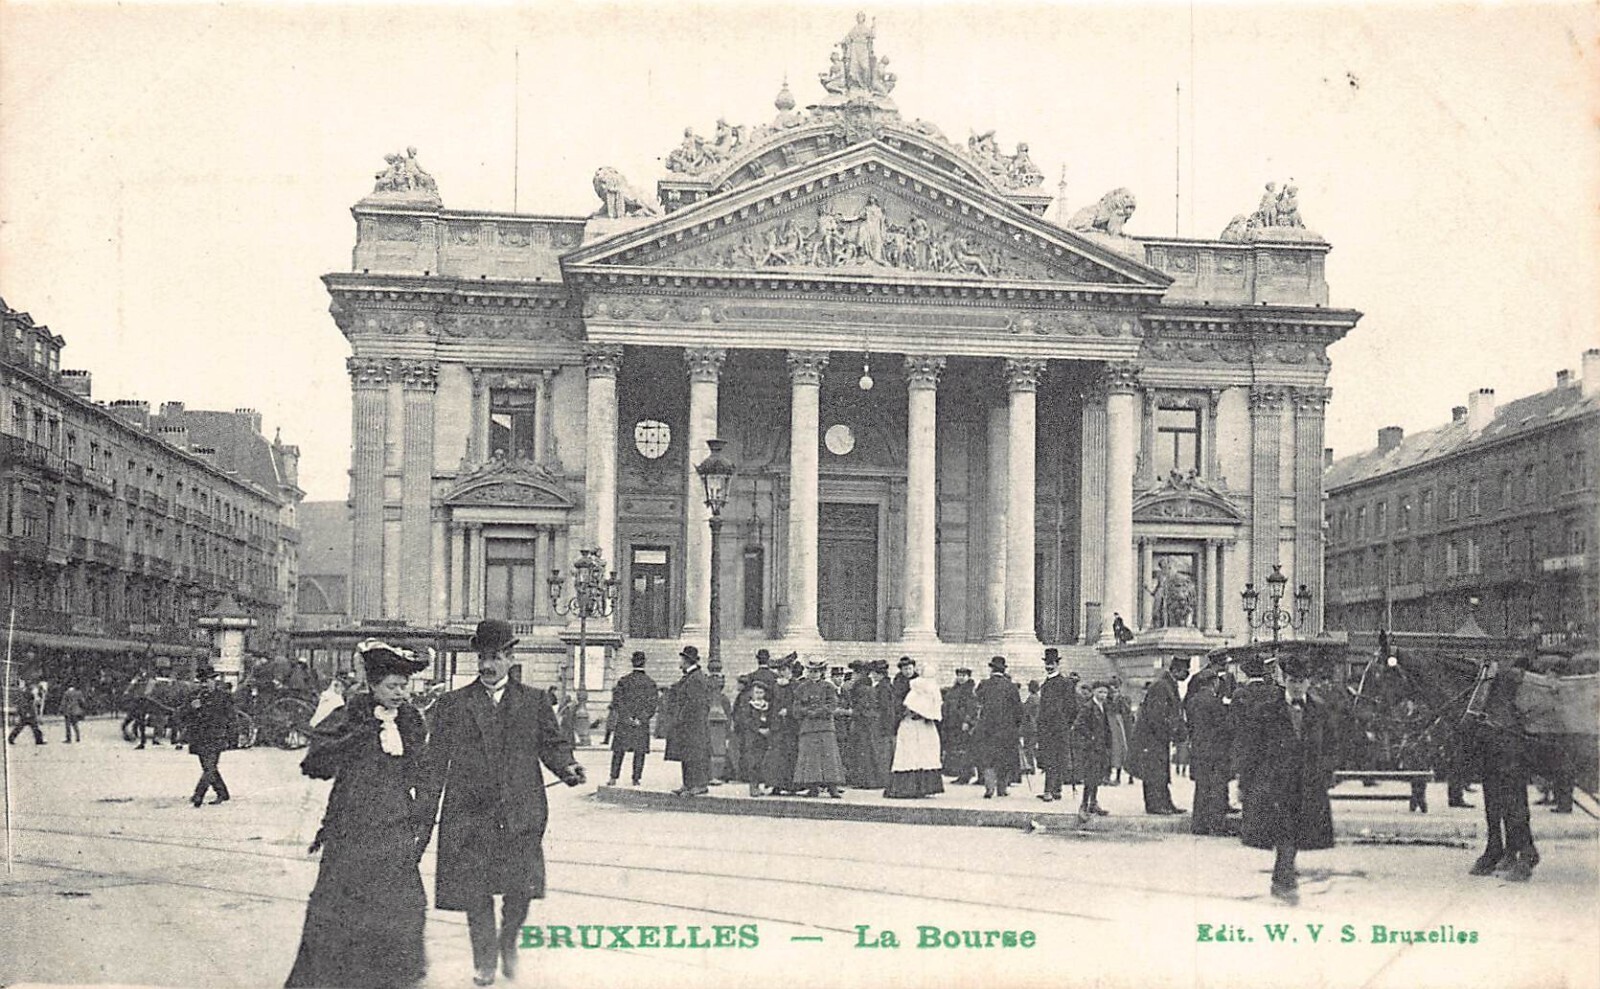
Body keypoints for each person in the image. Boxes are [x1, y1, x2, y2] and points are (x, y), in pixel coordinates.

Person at [415, 619, 585, 987]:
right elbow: (434, 761)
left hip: (520, 811)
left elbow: (552, 745)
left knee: (519, 890)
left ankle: (508, 941)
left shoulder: (535, 701)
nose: (487, 665)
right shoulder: (453, 704)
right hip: (470, 814)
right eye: (482, 658)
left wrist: (568, 766)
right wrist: (423, 808)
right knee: (476, 892)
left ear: (510, 658)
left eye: (494, 658)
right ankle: (485, 959)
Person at [285, 641, 431, 989]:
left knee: (403, 903)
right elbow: (315, 764)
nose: (400, 693)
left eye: (404, 686)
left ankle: (390, 977)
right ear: (373, 685)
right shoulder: (351, 714)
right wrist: (356, 738)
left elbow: (421, 770)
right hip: (351, 826)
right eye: (392, 686)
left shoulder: (411, 719)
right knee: (341, 903)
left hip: (394, 826)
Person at [1239, 655, 1337, 905]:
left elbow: (1330, 746)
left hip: (1308, 784)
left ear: (1308, 683)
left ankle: (1284, 875)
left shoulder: (1319, 710)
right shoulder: (1267, 711)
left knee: (1299, 831)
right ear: (1284, 681)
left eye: (1301, 681)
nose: (1297, 686)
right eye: (1292, 681)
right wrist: (1245, 783)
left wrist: (1326, 773)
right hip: (1276, 784)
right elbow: (1252, 748)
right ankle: (1284, 878)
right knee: (1284, 831)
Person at [1132, 657, 1188, 814]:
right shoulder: (1161, 686)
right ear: (1175, 670)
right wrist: (1169, 731)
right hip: (1152, 736)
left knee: (1161, 770)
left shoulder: (1168, 684)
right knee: (1153, 771)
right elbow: (1156, 714)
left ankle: (1165, 802)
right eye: (1184, 671)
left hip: (1159, 735)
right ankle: (1154, 805)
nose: (1186, 675)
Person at [1186, 652, 1233, 835]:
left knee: (1202, 787)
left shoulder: (1193, 702)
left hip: (1199, 748)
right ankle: (1217, 825)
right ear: (1213, 683)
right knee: (1217, 787)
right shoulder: (1214, 703)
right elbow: (1224, 726)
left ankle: (1199, 825)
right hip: (1215, 750)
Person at [885, 661, 944, 799]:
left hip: (916, 725)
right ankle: (920, 787)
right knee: (918, 755)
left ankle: (910, 787)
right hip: (919, 726)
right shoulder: (919, 689)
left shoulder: (922, 690)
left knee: (913, 755)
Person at [791, 660, 846, 798]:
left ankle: (832, 787)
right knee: (810, 758)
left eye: (816, 671)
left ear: (822, 672)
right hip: (808, 728)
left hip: (825, 727)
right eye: (811, 671)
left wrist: (818, 712)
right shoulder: (801, 688)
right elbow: (796, 707)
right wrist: (807, 712)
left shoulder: (828, 687)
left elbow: (832, 705)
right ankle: (812, 787)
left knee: (829, 757)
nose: (813, 674)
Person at [663, 646, 713, 797]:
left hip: (693, 724)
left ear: (686, 661)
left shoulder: (696, 678)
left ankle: (699, 785)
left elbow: (694, 703)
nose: (679, 662)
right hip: (688, 724)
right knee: (687, 754)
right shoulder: (691, 677)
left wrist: (680, 718)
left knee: (695, 755)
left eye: (681, 659)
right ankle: (688, 784)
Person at [185, 665, 235, 807]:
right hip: (199, 737)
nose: (204, 684)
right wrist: (191, 708)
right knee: (208, 767)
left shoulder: (223, 696)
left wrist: (231, 736)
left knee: (209, 767)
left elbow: (230, 717)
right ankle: (222, 792)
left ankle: (198, 795)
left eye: (207, 681)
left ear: (214, 681)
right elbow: (184, 715)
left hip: (216, 736)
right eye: (201, 682)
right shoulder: (194, 696)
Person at [973, 657, 1022, 799]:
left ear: (991, 669)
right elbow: (1018, 710)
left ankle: (989, 787)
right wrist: (1016, 726)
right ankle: (1002, 788)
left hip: (987, 729)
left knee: (988, 758)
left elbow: (977, 703)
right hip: (1006, 729)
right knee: (1004, 758)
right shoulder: (1011, 686)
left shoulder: (984, 685)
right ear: (1004, 670)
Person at [607, 651, 658, 787]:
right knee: (639, 752)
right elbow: (652, 705)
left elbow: (617, 702)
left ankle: (613, 777)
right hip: (641, 723)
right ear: (644, 662)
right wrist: (640, 719)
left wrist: (627, 717)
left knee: (618, 751)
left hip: (624, 722)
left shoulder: (623, 681)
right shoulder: (650, 683)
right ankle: (636, 779)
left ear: (632, 662)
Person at [1035, 649, 1076, 802]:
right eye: (1047, 663)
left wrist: (1065, 723)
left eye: (1051, 663)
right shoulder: (1046, 683)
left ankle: (1049, 791)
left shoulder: (1065, 683)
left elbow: (1071, 706)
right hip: (1048, 727)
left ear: (1057, 664)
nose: (1049, 666)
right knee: (1054, 758)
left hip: (1057, 727)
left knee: (1053, 758)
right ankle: (1056, 790)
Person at [1072, 682, 1115, 821]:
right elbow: (1078, 724)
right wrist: (1091, 736)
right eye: (1100, 692)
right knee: (1090, 776)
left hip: (1101, 747)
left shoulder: (1104, 707)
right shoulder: (1088, 707)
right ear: (1094, 692)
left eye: (1105, 692)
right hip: (1091, 748)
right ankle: (1084, 805)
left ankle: (1093, 803)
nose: (1103, 695)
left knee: (1097, 776)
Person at [759, 658, 800, 795]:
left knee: (790, 755)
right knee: (776, 756)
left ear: (790, 670)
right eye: (779, 670)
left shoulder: (796, 686)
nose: (781, 673)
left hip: (791, 727)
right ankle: (776, 785)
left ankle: (791, 786)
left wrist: (789, 711)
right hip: (777, 726)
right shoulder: (774, 686)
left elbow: (799, 704)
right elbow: (770, 705)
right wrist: (766, 722)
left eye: (784, 670)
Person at [734, 681, 774, 797]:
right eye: (757, 692)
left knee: (763, 761)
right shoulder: (748, 705)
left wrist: (768, 728)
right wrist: (758, 729)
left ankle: (761, 785)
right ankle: (753, 786)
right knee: (753, 762)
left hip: (765, 736)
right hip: (752, 736)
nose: (759, 695)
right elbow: (746, 720)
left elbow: (770, 718)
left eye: (761, 692)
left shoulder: (767, 706)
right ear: (752, 693)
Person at [941, 668, 977, 783]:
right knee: (955, 749)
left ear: (968, 677)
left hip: (962, 724)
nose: (961, 678)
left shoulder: (970, 691)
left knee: (964, 750)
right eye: (959, 675)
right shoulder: (954, 690)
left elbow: (972, 708)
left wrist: (967, 721)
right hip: (952, 723)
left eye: (963, 675)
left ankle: (965, 775)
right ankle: (958, 773)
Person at [8, 680, 46, 745]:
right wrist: (27, 712)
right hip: (28, 711)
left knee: (25, 726)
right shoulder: (30, 692)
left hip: (28, 711)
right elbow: (29, 702)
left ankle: (11, 738)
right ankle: (39, 740)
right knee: (31, 726)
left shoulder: (29, 691)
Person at [1020, 679, 1041, 776]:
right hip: (1035, 726)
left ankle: (1030, 767)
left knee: (1028, 748)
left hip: (1030, 726)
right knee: (1031, 747)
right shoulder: (1038, 698)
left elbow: (1026, 711)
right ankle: (1031, 766)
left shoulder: (1032, 698)